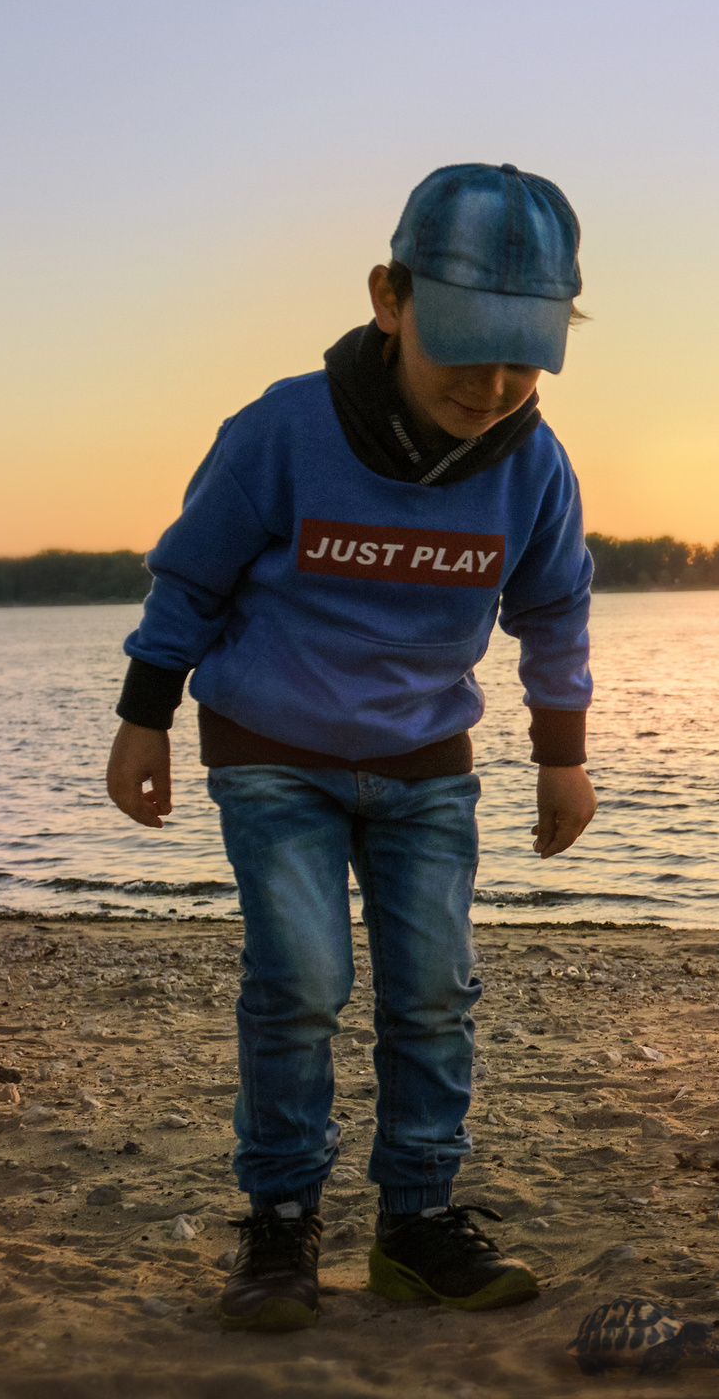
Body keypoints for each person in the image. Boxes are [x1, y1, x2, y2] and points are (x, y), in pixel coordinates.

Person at [102, 163, 598, 1332]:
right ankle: (281, 1223)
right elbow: (190, 576)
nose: (492, 387)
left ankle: (415, 1224)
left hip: (428, 763)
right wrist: (144, 715)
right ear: (390, 299)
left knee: (434, 996)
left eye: (522, 361)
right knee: (302, 983)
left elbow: (555, 611)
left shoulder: (534, 467)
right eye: (465, 349)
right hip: (272, 751)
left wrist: (561, 754)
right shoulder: (282, 431)